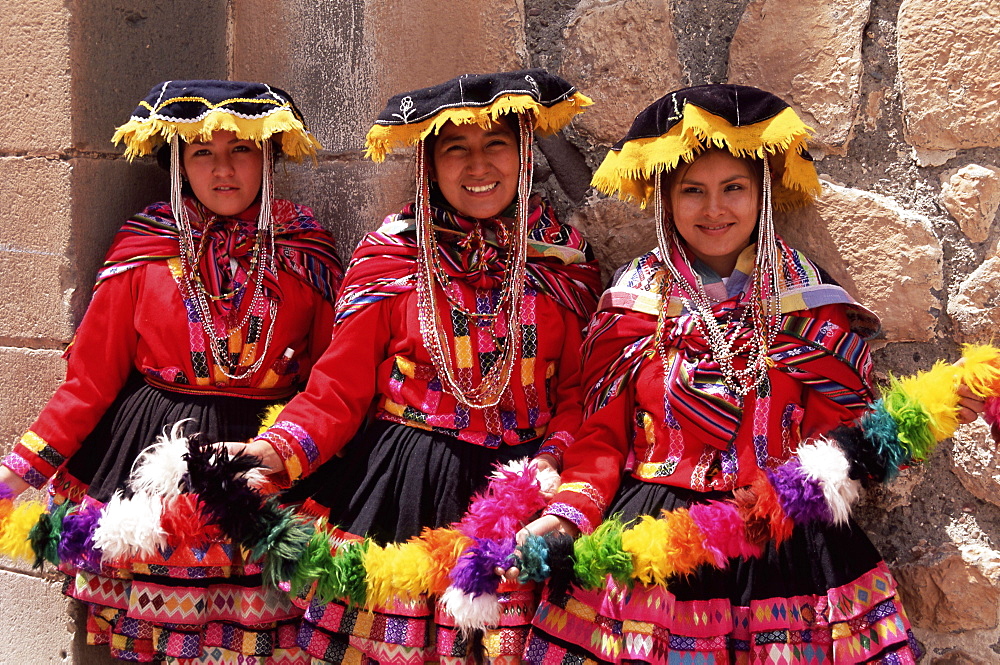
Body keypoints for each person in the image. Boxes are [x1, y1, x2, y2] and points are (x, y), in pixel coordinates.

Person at [514, 84, 984, 663]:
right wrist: (567, 515)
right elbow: (603, 437)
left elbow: (848, 439)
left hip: (788, 547)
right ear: (665, 199)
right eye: (693, 191)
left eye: (733, 188)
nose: (715, 209)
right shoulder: (634, 305)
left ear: (762, 193)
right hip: (653, 544)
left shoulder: (809, 304)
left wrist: (927, 412)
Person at [236, 69, 601, 663]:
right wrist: (272, 449)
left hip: (522, 490)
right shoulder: (394, 255)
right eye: (456, 149)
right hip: (405, 486)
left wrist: (553, 464)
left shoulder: (565, 262)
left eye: (496, 146)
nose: (477, 166)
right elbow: (339, 387)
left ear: (524, 154)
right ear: (429, 165)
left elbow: (581, 393)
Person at [0, 80, 343, 663]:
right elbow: (90, 378)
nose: (223, 169)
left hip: (259, 454)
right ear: (178, 165)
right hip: (155, 454)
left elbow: (330, 378)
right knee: (163, 634)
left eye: (241, 150)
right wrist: (20, 472)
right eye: (202, 153)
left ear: (269, 156)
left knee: (260, 632)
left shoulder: (307, 253)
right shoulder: (143, 249)